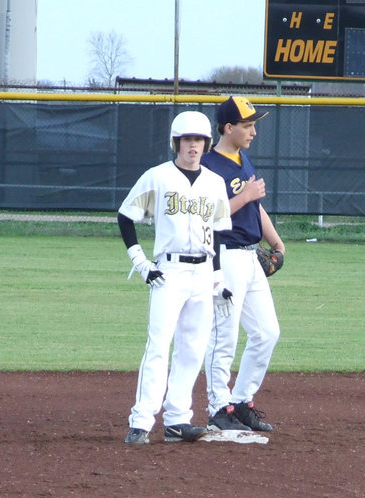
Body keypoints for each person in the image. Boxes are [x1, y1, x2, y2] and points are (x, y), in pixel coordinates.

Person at [117, 110, 233, 445]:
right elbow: (126, 216)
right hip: (168, 272)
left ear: (206, 144)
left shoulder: (215, 183)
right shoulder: (158, 177)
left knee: (193, 350)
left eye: (199, 139)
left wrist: (218, 278)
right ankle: (141, 421)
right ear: (176, 143)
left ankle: (177, 420)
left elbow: (219, 233)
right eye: (187, 139)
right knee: (159, 345)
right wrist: (141, 263)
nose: (193, 145)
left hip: (202, 272)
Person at [200, 96, 286, 434]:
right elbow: (204, 215)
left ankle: (241, 401)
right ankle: (217, 406)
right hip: (225, 256)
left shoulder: (242, 159)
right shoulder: (208, 166)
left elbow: (256, 208)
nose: (253, 131)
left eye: (253, 125)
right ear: (228, 127)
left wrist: (276, 243)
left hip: (251, 255)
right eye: (247, 125)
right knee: (225, 335)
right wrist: (245, 196)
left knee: (267, 332)